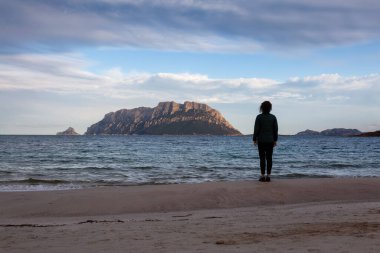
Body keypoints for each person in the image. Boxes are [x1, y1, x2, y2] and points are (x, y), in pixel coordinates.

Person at [253, 101, 278, 182]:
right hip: (270, 140)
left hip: (261, 140)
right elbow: (275, 130)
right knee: (269, 158)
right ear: (270, 108)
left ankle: (262, 176)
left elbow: (256, 129)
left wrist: (254, 139)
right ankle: (268, 176)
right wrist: (275, 140)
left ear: (262, 108)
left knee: (262, 158)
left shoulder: (259, 117)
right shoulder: (273, 117)